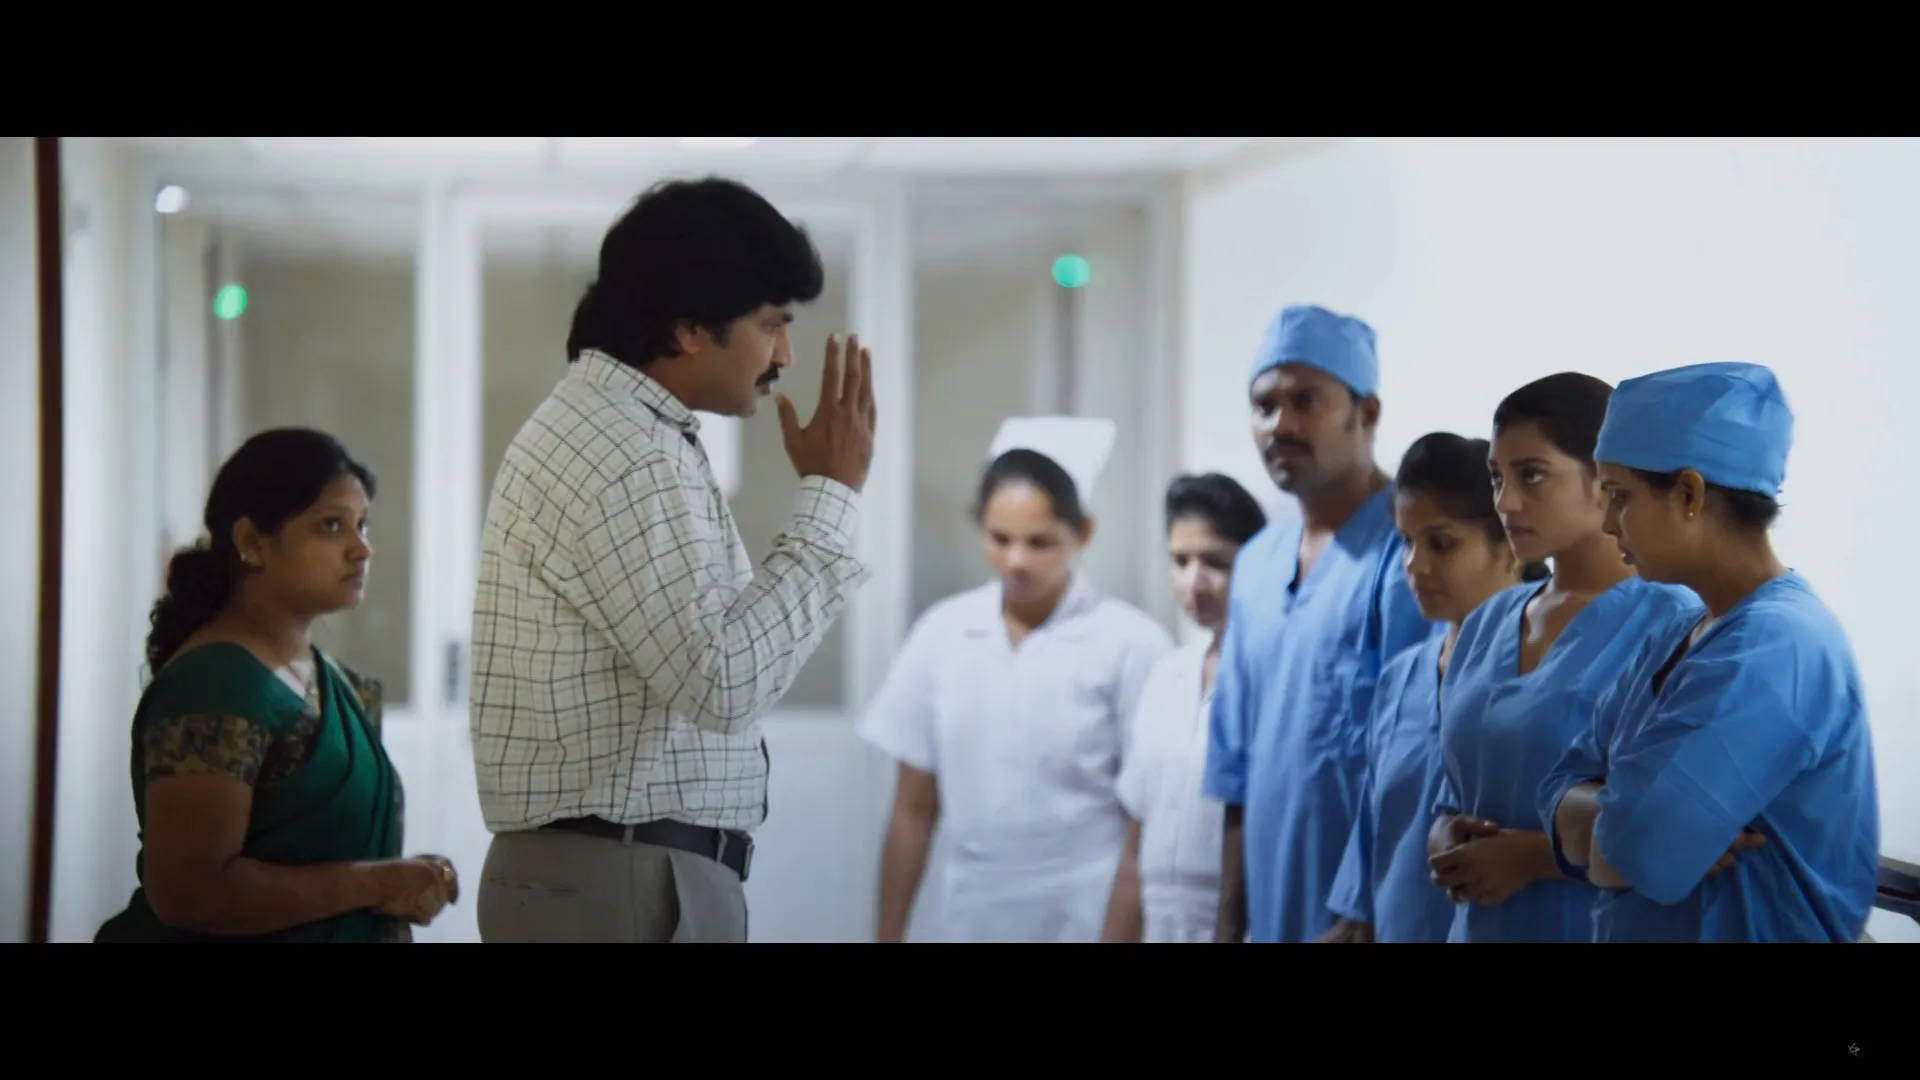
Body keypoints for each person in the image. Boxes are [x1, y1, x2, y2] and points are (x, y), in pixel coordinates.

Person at [468, 177, 877, 944]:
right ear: (689, 328)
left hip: (613, 871)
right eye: (770, 324)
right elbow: (722, 684)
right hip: (618, 878)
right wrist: (830, 496)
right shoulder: (627, 453)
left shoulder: (623, 431)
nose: (785, 355)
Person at [1539, 362, 1880, 942]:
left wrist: (1607, 823)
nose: (1608, 523)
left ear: (1689, 494)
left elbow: (1636, 854)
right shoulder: (1680, 631)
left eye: (1619, 496)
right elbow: (1557, 787)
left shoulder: (1776, 646)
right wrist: (1611, 820)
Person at [95, 428, 456, 943]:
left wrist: (400, 880)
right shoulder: (214, 683)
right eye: (331, 525)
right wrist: (374, 884)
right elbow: (191, 892)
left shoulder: (327, 679)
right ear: (251, 542)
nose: (362, 549)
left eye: (362, 525)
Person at [862, 420, 1174, 943]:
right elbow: (912, 809)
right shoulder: (943, 634)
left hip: (1087, 908)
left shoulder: (1131, 644)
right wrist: (887, 934)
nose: (1017, 561)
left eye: (1040, 542)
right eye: (999, 539)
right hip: (970, 910)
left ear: (1084, 532)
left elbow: (1147, 819)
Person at [1423, 374, 1705, 942]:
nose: (1505, 502)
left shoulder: (1675, 622)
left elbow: (1691, 829)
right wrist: (1444, 837)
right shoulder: (1486, 624)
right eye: (1497, 478)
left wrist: (1537, 858)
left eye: (1532, 476)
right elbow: (1450, 793)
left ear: (1605, 478)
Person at [1203, 303, 1437, 944]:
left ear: (1368, 413)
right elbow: (1235, 767)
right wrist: (1227, 923)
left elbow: (1423, 757)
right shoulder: (1257, 564)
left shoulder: (1413, 555)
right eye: (1265, 405)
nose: (1281, 424)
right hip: (1273, 903)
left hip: (1377, 913)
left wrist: (1365, 910)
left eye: (1306, 401)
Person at [1320, 434, 1544, 943]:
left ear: (1511, 542)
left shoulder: (1554, 670)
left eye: (1441, 544)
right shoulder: (1401, 679)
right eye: (1406, 542)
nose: (1414, 566)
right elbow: (1377, 849)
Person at [1101, 473, 1267, 943]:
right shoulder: (1167, 676)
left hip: (1242, 921)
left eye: (1216, 562)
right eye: (1180, 561)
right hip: (1160, 921)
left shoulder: (1273, 676)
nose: (1195, 582)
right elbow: (1136, 845)